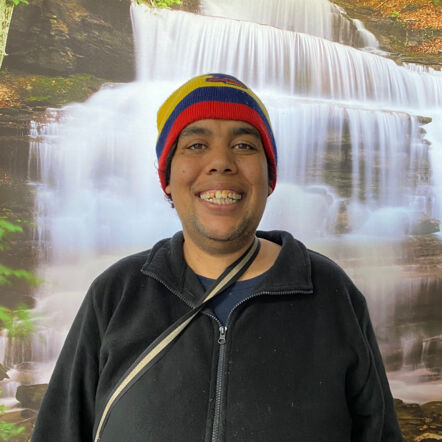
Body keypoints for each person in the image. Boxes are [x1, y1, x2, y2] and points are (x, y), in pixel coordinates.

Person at [32, 73, 404, 441]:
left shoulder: (329, 293)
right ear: (167, 178)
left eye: (244, 145)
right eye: (196, 145)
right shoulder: (117, 294)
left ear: (269, 176)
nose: (221, 162)